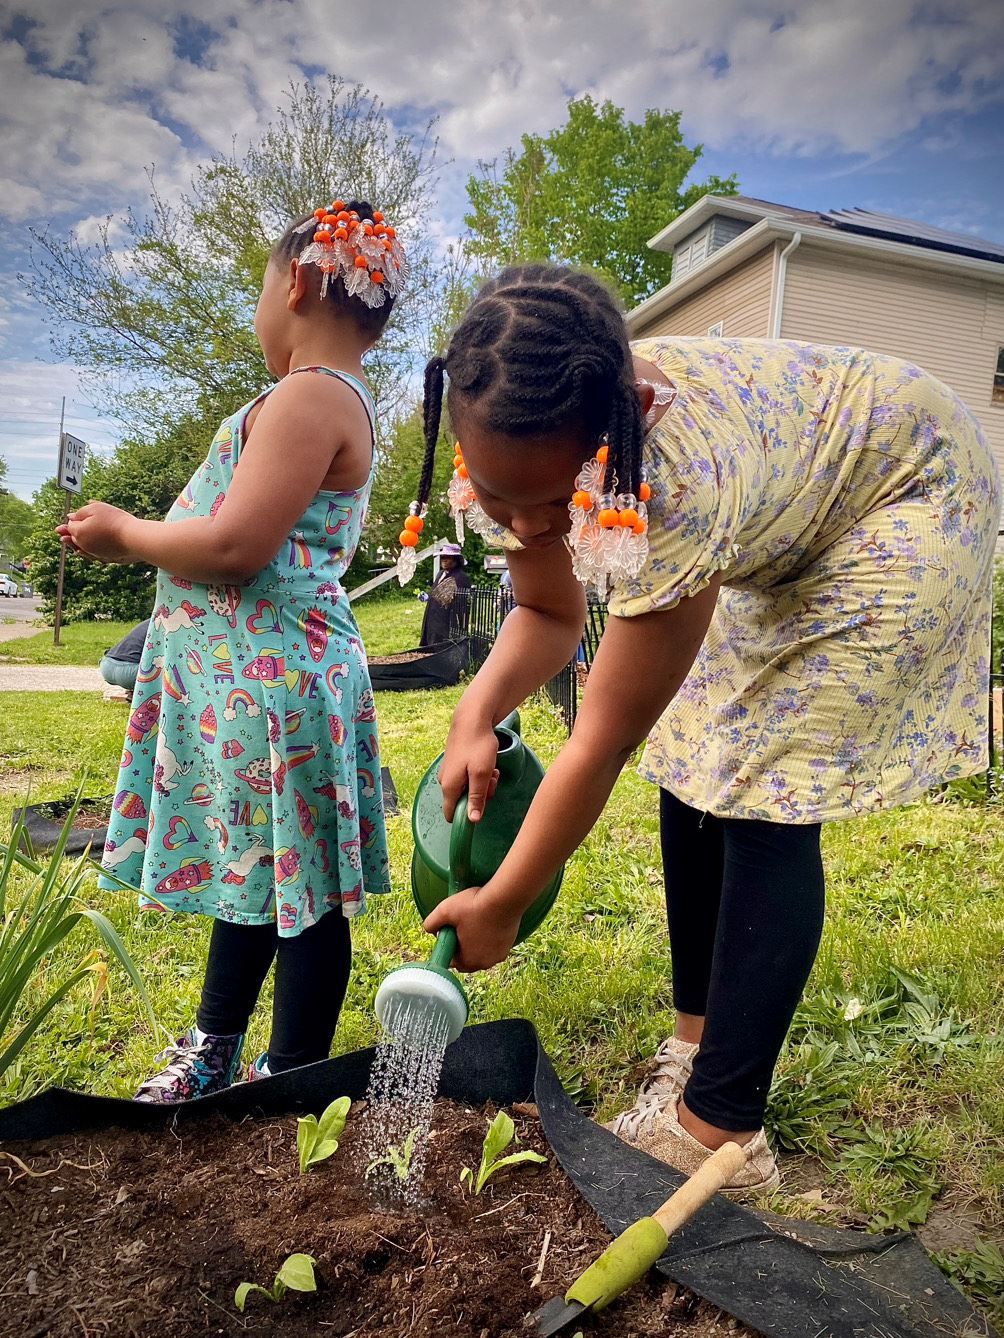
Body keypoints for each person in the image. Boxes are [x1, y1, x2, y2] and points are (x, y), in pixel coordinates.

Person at [406, 263, 997, 1194]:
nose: (526, 523)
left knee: (763, 789)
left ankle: (722, 1130)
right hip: (786, 513)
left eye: (554, 503)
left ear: (616, 436)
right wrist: (474, 711)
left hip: (905, 489)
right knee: (692, 753)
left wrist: (506, 900)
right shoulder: (512, 443)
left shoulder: (673, 480)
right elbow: (550, 613)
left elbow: (602, 739)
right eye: (498, 494)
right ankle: (694, 1049)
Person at [58, 198, 406, 1102]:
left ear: (296, 285)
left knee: (304, 890)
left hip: (274, 684)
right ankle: (216, 1048)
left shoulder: (310, 395)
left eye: (261, 287)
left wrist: (124, 534)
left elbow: (234, 545)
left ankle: (288, 1075)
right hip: (252, 685)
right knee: (259, 868)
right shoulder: (317, 397)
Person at [418, 542, 471, 646]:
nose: (444, 560)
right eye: (443, 557)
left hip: (446, 623)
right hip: (432, 619)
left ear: (456, 560)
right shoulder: (440, 573)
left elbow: (463, 605)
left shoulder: (461, 577)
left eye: (448, 557)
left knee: (440, 647)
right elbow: (437, 593)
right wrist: (428, 597)